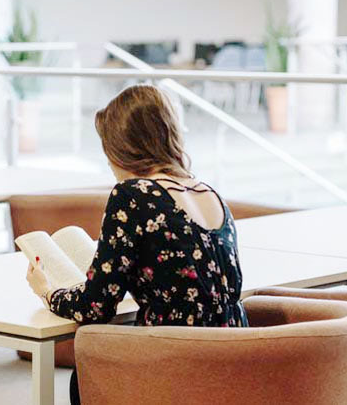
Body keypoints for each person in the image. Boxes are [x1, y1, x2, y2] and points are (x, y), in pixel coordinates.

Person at [26, 84, 248, 404]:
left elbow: (96, 307)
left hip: (178, 361)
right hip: (236, 361)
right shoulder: (210, 193)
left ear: (122, 148)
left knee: (86, 370)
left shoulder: (132, 194)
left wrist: (48, 291)